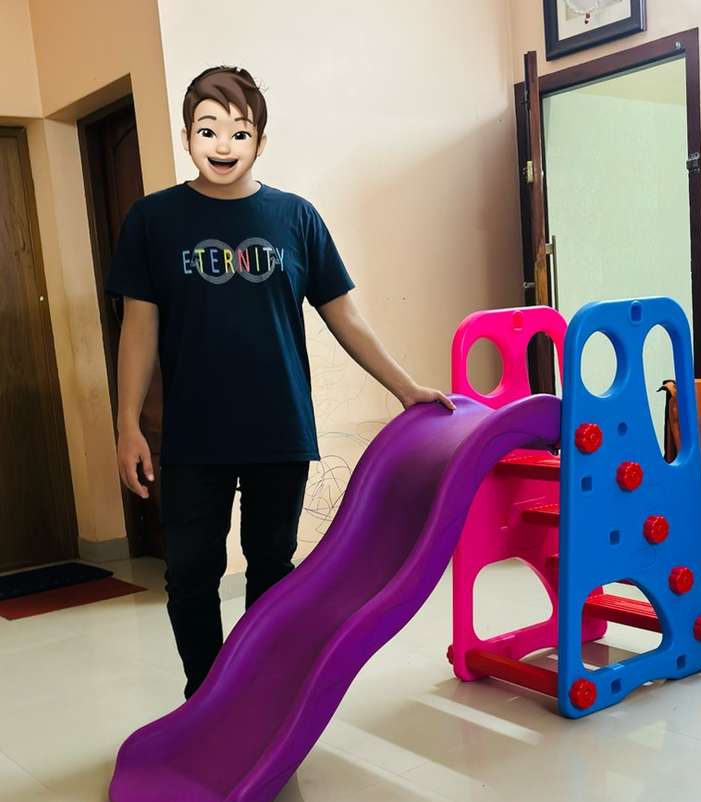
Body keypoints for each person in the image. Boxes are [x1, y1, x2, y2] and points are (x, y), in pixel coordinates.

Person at [106, 65, 455, 700]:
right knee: (190, 573)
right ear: (187, 137)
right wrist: (128, 424)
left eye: (239, 132)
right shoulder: (153, 220)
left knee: (271, 570)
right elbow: (139, 329)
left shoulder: (295, 217)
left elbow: (345, 315)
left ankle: (257, 692)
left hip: (279, 427)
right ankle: (206, 697)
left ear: (260, 141)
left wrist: (406, 388)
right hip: (193, 434)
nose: (223, 145)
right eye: (207, 130)